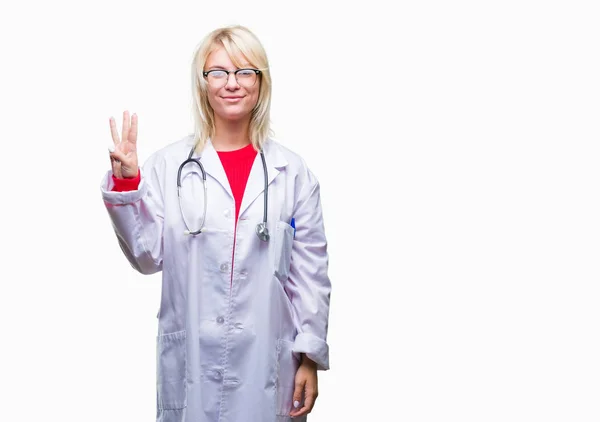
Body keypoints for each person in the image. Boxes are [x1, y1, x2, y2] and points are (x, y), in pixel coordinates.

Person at [100, 25, 331, 422]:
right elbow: (146, 255)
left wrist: (309, 355)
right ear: (203, 83)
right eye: (218, 72)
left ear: (262, 82)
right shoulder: (169, 166)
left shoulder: (292, 172)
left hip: (268, 364)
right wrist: (128, 183)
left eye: (245, 71)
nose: (232, 84)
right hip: (193, 365)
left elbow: (309, 273)